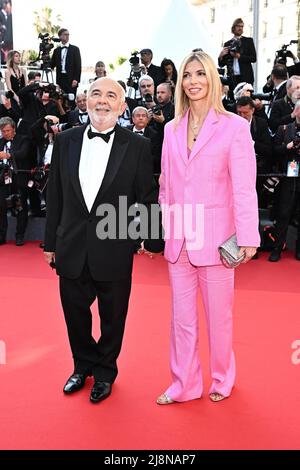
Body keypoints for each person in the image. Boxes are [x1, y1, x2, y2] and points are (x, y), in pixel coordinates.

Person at [44, 77, 163, 404]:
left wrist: (151, 239)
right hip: (71, 245)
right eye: (96, 93)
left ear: (122, 106)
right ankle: (82, 366)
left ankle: (106, 370)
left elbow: (147, 196)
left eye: (111, 95)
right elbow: (54, 194)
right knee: (75, 315)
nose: (102, 100)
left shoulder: (137, 146)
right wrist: (49, 243)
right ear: (85, 99)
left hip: (114, 245)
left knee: (113, 318)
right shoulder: (65, 141)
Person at [157, 51, 260, 405]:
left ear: (212, 79)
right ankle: (184, 384)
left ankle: (221, 379)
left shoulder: (234, 126)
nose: (193, 81)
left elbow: (244, 186)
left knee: (219, 318)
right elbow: (166, 185)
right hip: (179, 238)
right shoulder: (171, 129)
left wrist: (247, 236)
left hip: (216, 239)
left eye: (200, 74)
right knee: (181, 320)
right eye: (187, 75)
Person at [218, 18, 257, 89]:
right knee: (232, 98)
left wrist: (239, 56)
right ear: (233, 28)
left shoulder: (248, 41)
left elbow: (253, 58)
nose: (240, 28)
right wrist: (220, 56)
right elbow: (221, 64)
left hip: (246, 77)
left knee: (246, 99)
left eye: (242, 26)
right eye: (238, 26)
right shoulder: (228, 43)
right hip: (232, 78)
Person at [50, 28, 81, 97]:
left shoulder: (75, 49)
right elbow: (52, 65)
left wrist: (76, 79)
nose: (67, 36)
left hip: (71, 79)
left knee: (71, 99)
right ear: (60, 36)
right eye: (65, 34)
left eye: (68, 34)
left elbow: (78, 65)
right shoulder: (56, 50)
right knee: (60, 99)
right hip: (60, 79)